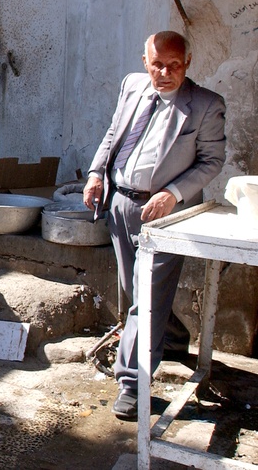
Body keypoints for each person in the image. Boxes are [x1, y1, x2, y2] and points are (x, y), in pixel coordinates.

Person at [82, 31, 226, 420]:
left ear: (188, 63)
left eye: (174, 65)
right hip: (122, 203)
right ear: (145, 62)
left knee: (146, 300)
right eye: (157, 64)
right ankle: (175, 338)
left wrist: (174, 193)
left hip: (166, 215)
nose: (165, 73)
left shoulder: (206, 106)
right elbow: (114, 134)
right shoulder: (132, 86)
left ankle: (132, 385)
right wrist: (97, 173)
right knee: (135, 291)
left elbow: (212, 160)